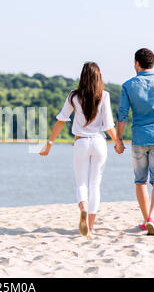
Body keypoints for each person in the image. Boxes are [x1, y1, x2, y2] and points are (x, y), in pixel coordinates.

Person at [40, 62, 123, 237]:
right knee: (95, 185)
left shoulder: (73, 96)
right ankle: (90, 227)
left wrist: (49, 144)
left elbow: (61, 120)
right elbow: (108, 125)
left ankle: (83, 207)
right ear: (98, 77)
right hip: (99, 143)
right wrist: (118, 142)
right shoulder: (104, 95)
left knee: (81, 184)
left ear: (82, 77)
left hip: (81, 142)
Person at [116, 48, 154, 236]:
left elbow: (122, 115)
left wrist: (119, 138)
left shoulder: (128, 85)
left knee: (140, 180)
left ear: (136, 63)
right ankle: (151, 217)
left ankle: (146, 220)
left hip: (138, 139)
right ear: (153, 63)